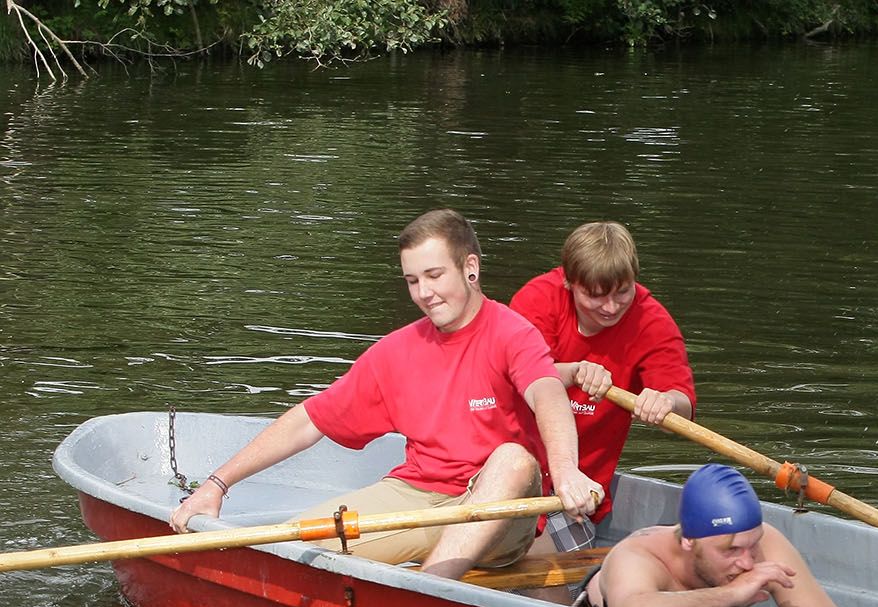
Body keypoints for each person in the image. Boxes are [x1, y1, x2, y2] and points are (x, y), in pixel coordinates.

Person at [169, 208, 602, 579]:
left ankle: (428, 597)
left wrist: (565, 472)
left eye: (434, 275)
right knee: (288, 548)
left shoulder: (512, 333)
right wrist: (217, 484)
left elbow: (547, 393)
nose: (424, 293)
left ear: (470, 268)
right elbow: (308, 421)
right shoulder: (396, 352)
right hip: (419, 498)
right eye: (413, 280)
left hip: (499, 515)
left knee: (513, 459)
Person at [509, 221, 696, 535]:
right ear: (569, 283)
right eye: (595, 295)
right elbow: (512, 377)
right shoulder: (537, 300)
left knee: (542, 557)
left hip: (581, 492)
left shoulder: (652, 322)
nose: (611, 307)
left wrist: (665, 402)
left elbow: (683, 409)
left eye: (623, 292)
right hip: (512, 470)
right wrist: (573, 372)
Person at [578, 464, 856, 607]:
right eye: (730, 550)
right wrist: (733, 593)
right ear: (688, 540)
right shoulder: (638, 555)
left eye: (752, 545)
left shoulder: (767, 543)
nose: (747, 563)